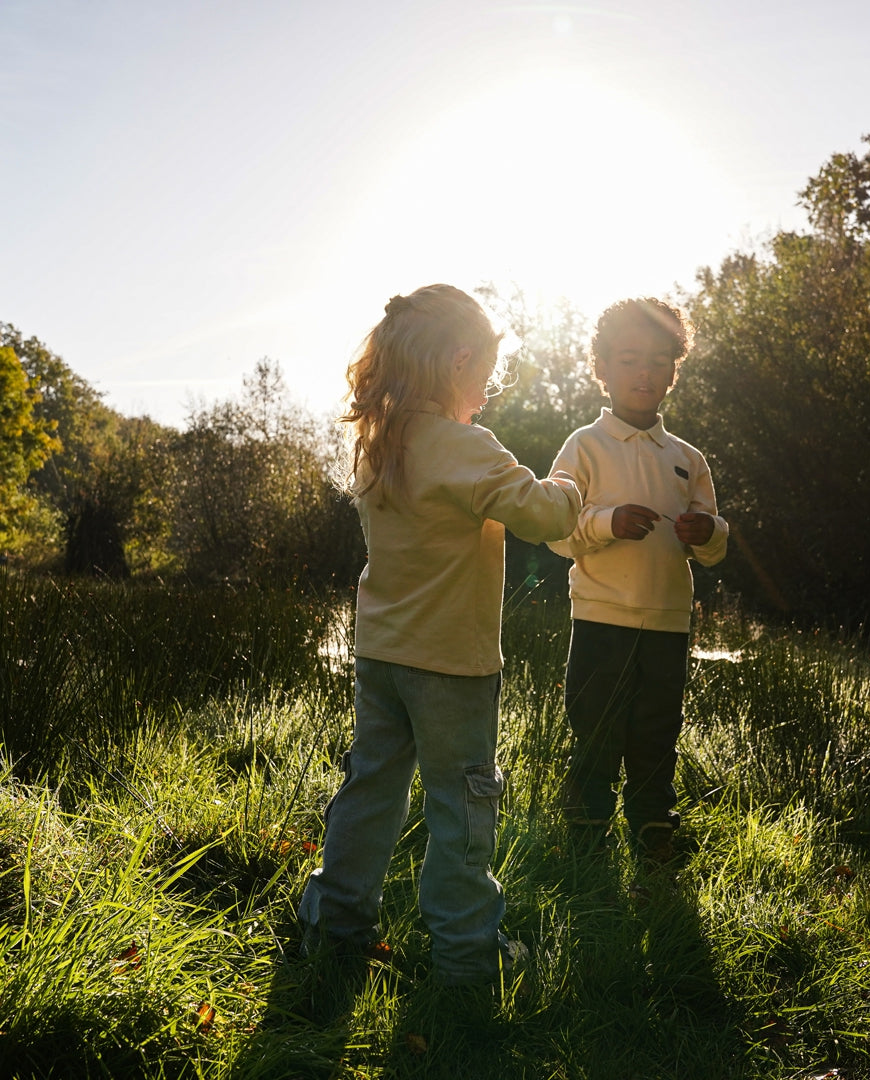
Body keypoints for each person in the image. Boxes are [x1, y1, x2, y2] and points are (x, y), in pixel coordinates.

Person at [299, 284, 581, 986]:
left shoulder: (378, 444)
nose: (484, 398)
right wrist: (574, 483)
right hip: (452, 666)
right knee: (462, 806)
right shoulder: (467, 448)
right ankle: (466, 958)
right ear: (459, 361)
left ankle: (335, 931)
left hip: (380, 655)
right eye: (484, 380)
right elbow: (545, 517)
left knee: (370, 790)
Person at [546, 297, 728, 863]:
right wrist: (607, 522)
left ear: (675, 369)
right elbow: (555, 529)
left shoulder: (688, 458)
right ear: (601, 368)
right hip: (601, 619)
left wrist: (709, 531)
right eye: (628, 359)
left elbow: (715, 550)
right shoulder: (584, 445)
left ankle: (653, 829)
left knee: (656, 735)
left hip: (669, 625)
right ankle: (586, 837)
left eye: (658, 359)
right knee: (596, 734)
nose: (644, 372)